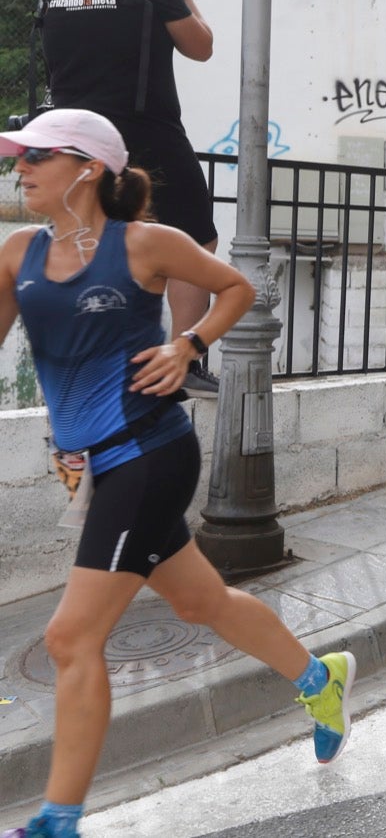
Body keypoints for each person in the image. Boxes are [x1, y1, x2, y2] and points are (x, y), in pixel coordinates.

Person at [0, 111, 354, 838]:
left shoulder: (146, 244)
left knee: (70, 639)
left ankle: (57, 821)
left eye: (35, 155)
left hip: (148, 454)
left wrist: (187, 345)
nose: (19, 168)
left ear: (88, 167)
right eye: (16, 156)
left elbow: (236, 288)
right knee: (203, 602)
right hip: (85, 467)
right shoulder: (17, 254)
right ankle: (321, 682)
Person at [38, 0, 220, 398]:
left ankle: (98, 356)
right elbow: (201, 46)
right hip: (144, 130)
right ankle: (186, 359)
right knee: (195, 239)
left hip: (70, 137)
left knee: (99, 243)